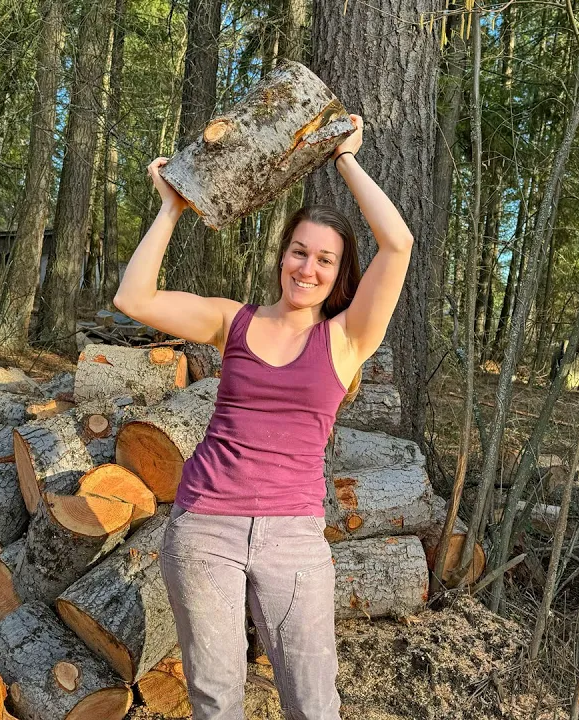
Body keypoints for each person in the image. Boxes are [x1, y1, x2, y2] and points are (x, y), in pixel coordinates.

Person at [113, 114, 413, 720]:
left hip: (293, 537)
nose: (308, 268)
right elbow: (133, 298)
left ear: (339, 274)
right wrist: (171, 207)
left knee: (313, 702)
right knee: (216, 699)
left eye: (324, 260)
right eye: (299, 252)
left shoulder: (347, 338)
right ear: (282, 258)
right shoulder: (234, 321)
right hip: (204, 528)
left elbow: (398, 244)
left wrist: (345, 160)